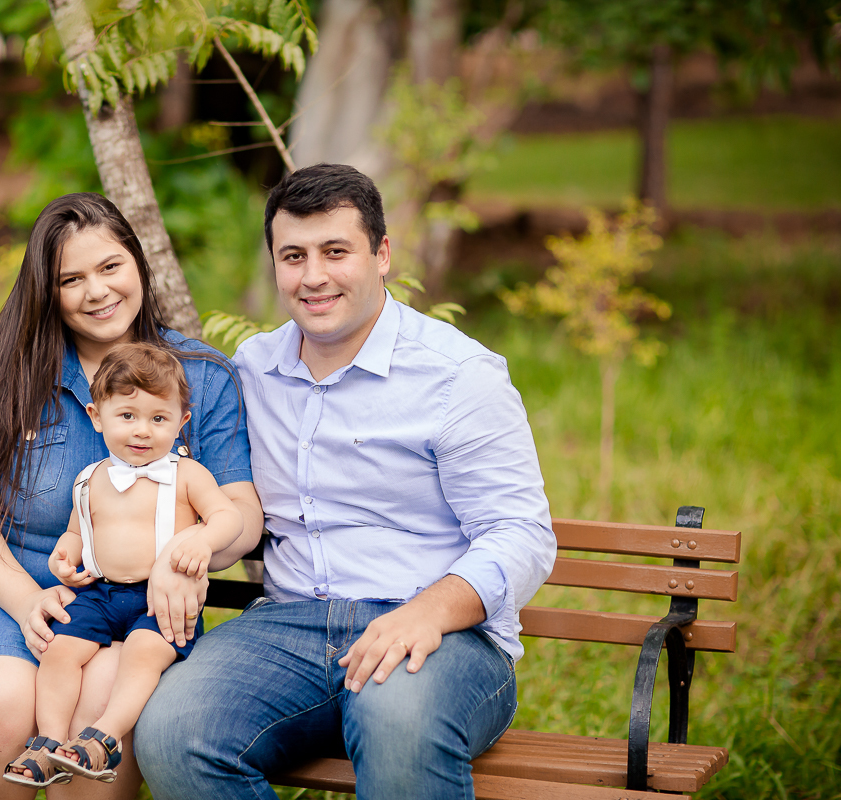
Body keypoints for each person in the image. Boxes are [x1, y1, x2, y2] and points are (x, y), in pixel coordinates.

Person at [135, 163, 557, 800]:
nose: (314, 277)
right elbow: (183, 471)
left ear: (382, 254)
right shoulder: (254, 370)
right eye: (293, 256)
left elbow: (522, 534)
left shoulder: (458, 375)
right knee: (172, 730)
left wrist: (427, 613)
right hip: (288, 626)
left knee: (398, 720)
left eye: (337, 252)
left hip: (441, 635)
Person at [0, 193, 263, 800]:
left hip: (138, 608)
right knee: (2, 705)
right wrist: (26, 600)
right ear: (47, 292)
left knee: (99, 706)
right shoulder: (15, 374)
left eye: (109, 267)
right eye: (70, 279)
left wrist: (193, 554)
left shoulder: (201, 376)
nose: (96, 291)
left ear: (138, 264)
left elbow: (244, 515)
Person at [3, 342, 244, 788]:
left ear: (181, 422)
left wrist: (203, 541)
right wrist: (66, 557)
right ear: (97, 416)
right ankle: (50, 741)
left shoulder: (186, 474)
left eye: (158, 418)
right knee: (58, 652)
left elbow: (230, 516)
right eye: (127, 416)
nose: (143, 431)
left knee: (142, 653)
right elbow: (78, 532)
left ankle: (105, 736)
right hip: (100, 593)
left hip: (159, 602)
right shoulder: (90, 479)